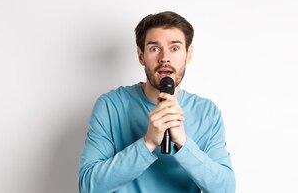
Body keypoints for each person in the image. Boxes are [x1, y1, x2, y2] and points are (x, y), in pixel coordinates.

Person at [78, 11, 235, 192]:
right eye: (154, 48)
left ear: (188, 54)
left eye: (174, 48)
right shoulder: (110, 106)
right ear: (141, 56)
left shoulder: (207, 113)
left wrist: (183, 143)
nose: (164, 58)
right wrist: (148, 143)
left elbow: (225, 189)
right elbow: (89, 187)